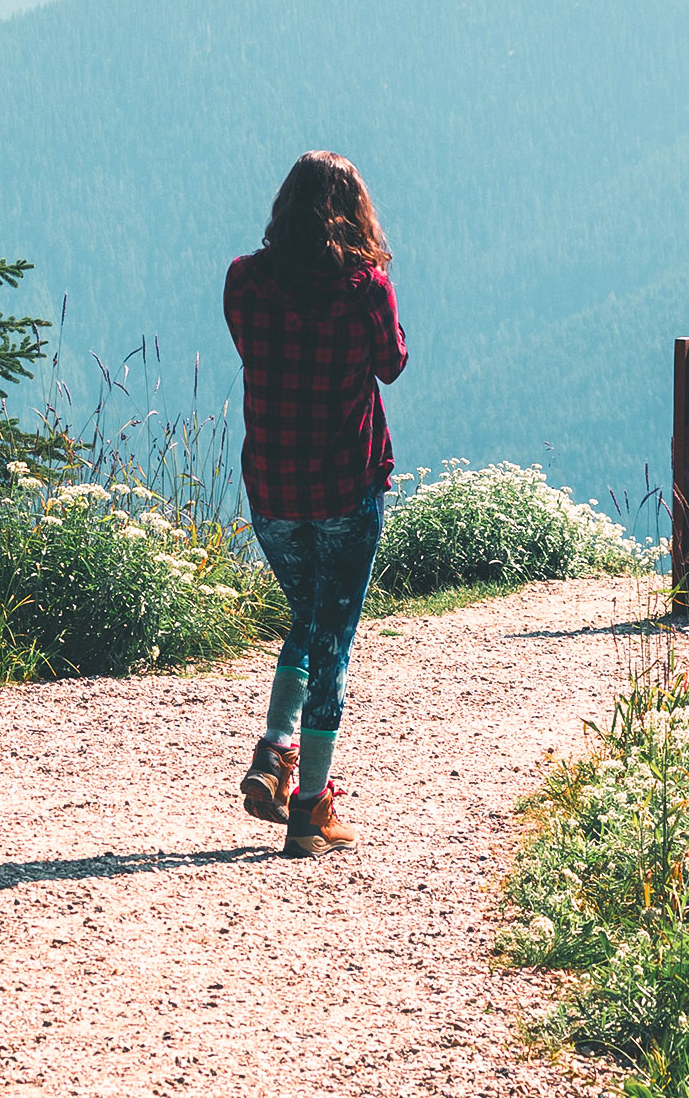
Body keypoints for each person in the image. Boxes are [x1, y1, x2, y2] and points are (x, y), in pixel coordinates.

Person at [224, 150, 407, 858]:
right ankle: (310, 808)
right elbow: (390, 365)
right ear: (355, 211)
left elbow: (248, 346)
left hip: (272, 487)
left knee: (308, 616)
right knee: (332, 640)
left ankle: (275, 752)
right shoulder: (367, 289)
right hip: (346, 484)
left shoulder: (245, 281)